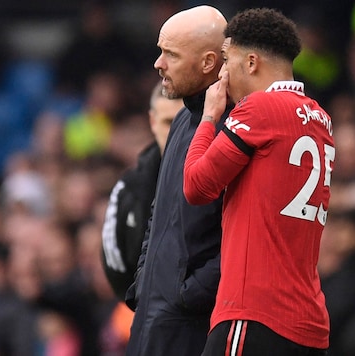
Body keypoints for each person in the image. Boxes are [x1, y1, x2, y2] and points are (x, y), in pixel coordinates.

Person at [183, 8, 334, 355]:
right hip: (308, 325)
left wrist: (209, 117)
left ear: (251, 63)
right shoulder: (321, 120)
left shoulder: (260, 109)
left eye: (226, 59)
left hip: (254, 314)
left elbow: (196, 186)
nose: (222, 72)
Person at [124, 5, 229, 356]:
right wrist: (143, 281)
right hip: (155, 314)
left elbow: (241, 231)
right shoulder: (183, 119)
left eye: (170, 54)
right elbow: (161, 208)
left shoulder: (235, 128)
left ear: (208, 62)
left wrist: (188, 294)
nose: (159, 63)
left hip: (193, 325)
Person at [101, 82, 184, 301]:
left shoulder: (220, 177)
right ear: (152, 121)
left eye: (182, 121)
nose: (176, 132)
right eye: (168, 123)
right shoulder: (129, 189)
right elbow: (115, 265)